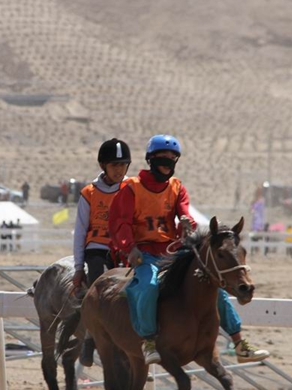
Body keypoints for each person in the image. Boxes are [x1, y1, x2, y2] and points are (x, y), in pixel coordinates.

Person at [109, 135, 269, 365]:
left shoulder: (177, 187)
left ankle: (239, 343)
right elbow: (119, 224)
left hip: (173, 254)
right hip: (144, 254)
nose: (167, 162)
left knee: (215, 285)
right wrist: (130, 249)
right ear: (150, 159)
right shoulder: (131, 188)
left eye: (172, 158)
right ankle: (149, 341)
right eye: (162, 157)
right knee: (149, 285)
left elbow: (185, 214)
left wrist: (186, 223)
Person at [73, 139, 131, 365]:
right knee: (97, 285)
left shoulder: (132, 188)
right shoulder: (89, 192)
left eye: (123, 165)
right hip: (97, 248)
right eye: (114, 165)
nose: (119, 170)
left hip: (124, 247)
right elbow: (79, 231)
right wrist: (79, 267)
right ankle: (90, 337)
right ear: (103, 166)